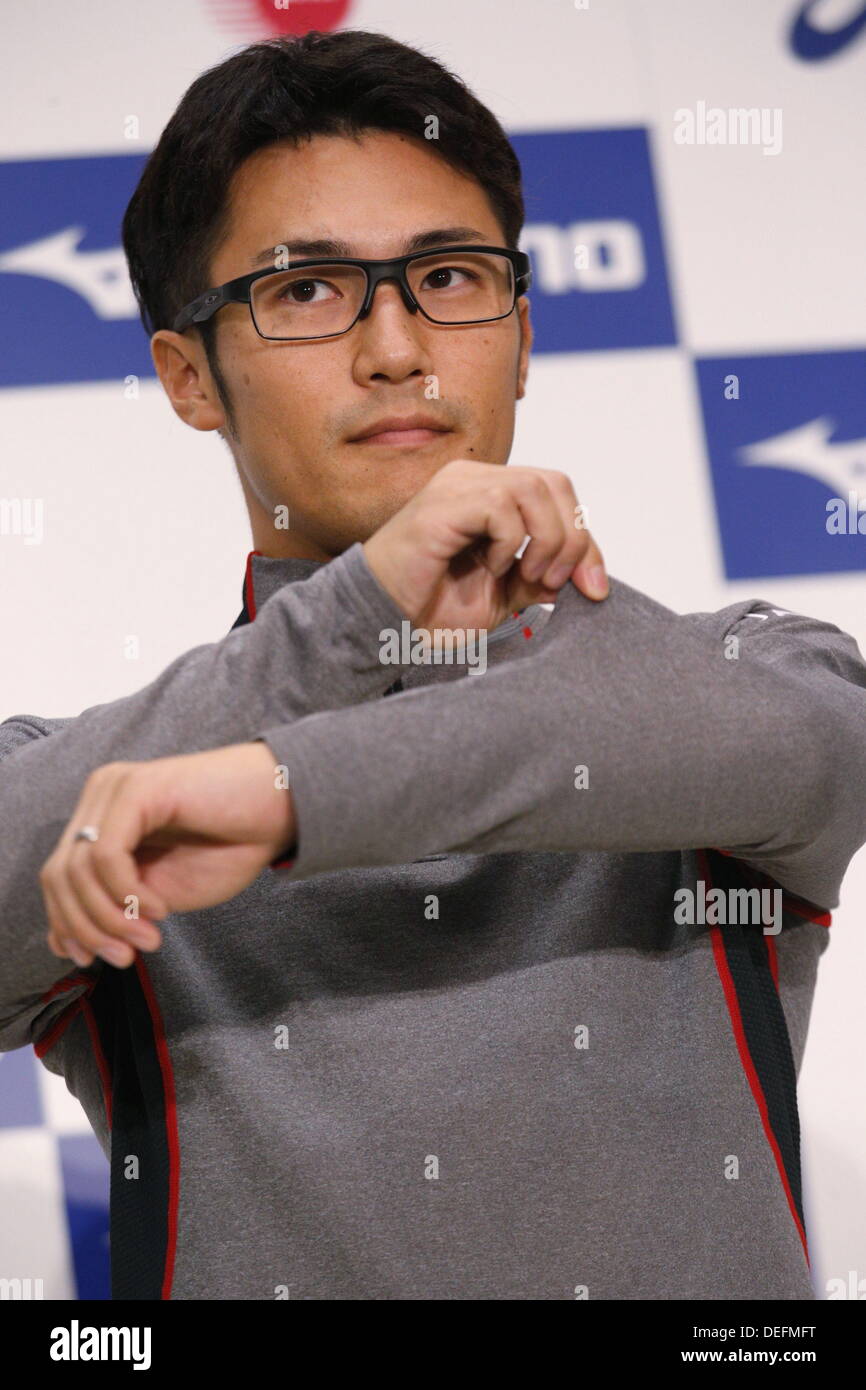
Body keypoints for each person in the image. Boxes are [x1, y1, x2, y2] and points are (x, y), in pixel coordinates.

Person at [2, 29, 865, 1302]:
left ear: (522, 330)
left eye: (451, 277)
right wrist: (354, 619)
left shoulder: (747, 671)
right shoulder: (93, 780)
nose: (396, 347)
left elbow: (708, 739)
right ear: (187, 376)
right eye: (305, 290)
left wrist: (283, 792)